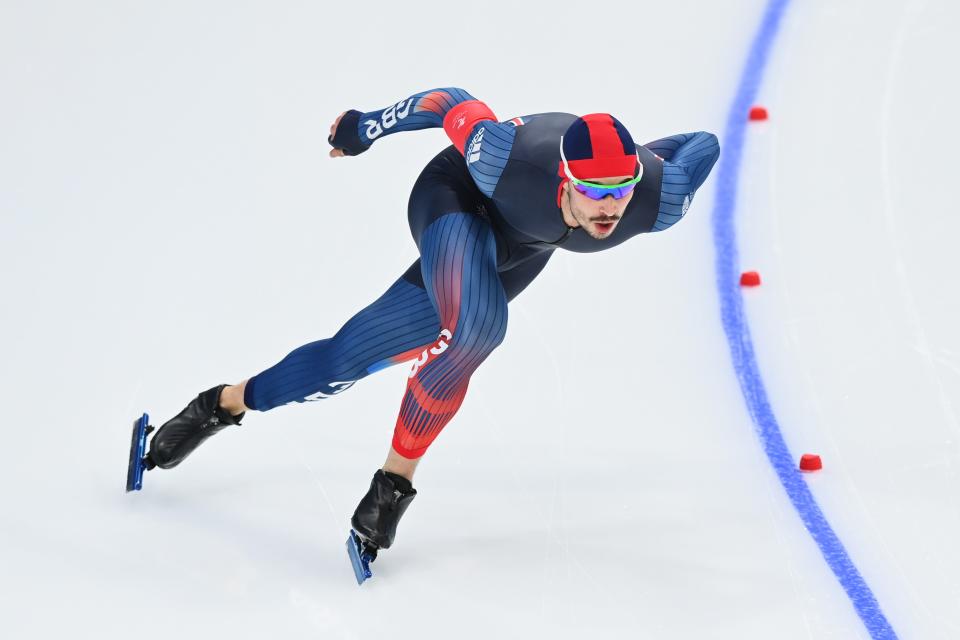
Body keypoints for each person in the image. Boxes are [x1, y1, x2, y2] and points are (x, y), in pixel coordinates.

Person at [141, 87, 720, 562]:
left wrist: (644, 160)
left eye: (620, 190)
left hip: (519, 249)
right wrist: (364, 127)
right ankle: (360, 473)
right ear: (566, 177)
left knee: (345, 358)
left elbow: (704, 143)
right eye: (594, 190)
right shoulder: (501, 158)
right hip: (455, 201)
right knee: (476, 329)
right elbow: (448, 101)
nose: (609, 209)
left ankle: (231, 406)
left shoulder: (657, 197)